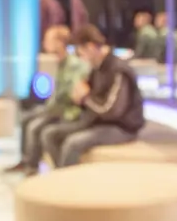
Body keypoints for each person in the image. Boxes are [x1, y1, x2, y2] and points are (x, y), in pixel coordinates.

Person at [40, 24, 145, 168]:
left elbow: (111, 111)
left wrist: (85, 98)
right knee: (50, 134)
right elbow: (87, 99)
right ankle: (62, 173)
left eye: (81, 53)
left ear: (90, 47)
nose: (81, 58)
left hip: (121, 127)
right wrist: (78, 98)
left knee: (73, 143)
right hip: (98, 122)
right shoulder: (96, 69)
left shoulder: (118, 71)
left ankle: (67, 178)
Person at [7, 25, 90, 175]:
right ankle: (26, 161)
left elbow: (71, 94)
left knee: (36, 127)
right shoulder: (61, 63)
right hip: (55, 108)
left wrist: (51, 106)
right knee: (26, 119)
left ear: (59, 42)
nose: (44, 43)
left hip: (67, 111)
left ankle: (32, 167)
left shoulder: (74, 65)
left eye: (48, 39)